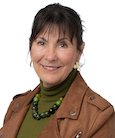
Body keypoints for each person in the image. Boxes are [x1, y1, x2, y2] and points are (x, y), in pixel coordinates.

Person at [0, 3, 114, 138]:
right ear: (30, 47)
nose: (50, 56)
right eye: (42, 43)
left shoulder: (99, 116)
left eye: (62, 45)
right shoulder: (16, 107)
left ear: (79, 51)